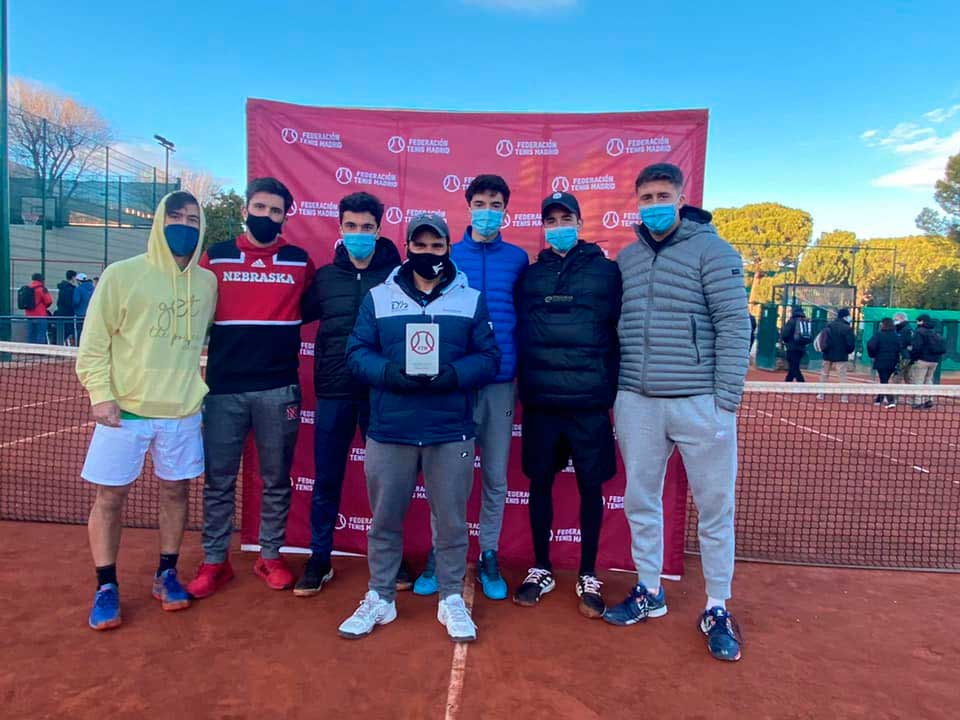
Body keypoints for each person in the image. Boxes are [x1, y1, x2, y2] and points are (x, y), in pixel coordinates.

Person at [603, 163, 750, 663]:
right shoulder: (626, 257)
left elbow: (734, 325)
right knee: (640, 501)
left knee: (715, 508)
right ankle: (649, 590)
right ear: (637, 201)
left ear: (682, 197)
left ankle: (717, 606)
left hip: (699, 402)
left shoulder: (713, 249)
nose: (654, 203)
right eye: (646, 196)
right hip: (637, 401)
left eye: (663, 194)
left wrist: (725, 399)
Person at [338, 213, 500, 642]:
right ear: (407, 247)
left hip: (450, 430)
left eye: (437, 246)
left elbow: (488, 358)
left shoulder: (471, 299)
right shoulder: (378, 297)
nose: (428, 253)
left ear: (448, 248)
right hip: (391, 428)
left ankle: (451, 599)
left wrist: (453, 375)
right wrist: (390, 373)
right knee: (385, 520)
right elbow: (356, 353)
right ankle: (380, 597)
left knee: (450, 522)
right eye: (420, 246)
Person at [75, 191, 217, 630]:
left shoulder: (207, 283)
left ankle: (166, 573)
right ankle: (105, 585)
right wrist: (101, 393)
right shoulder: (121, 275)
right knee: (110, 498)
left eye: (193, 218)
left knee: (177, 493)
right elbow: (94, 344)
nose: (184, 225)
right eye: (175, 216)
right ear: (158, 221)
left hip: (181, 413)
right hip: (125, 413)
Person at [187, 177, 316, 598]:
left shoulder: (300, 261)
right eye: (259, 208)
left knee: (277, 479)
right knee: (219, 480)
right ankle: (214, 561)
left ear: (285, 217)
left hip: (279, 389)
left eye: (275, 211)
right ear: (245, 210)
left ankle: (270, 555)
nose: (266, 217)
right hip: (223, 390)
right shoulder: (216, 257)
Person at [414, 174, 528, 600]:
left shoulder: (517, 259)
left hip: (500, 386)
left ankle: (489, 554)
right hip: (454, 385)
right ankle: (440, 554)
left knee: (496, 478)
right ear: (467, 206)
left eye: (495, 202)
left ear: (504, 209)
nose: (487, 209)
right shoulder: (448, 255)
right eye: (479, 201)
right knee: (446, 480)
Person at [512, 192, 621, 618]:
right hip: (541, 401)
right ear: (544, 224)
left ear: (579, 220)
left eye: (566, 217)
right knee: (539, 484)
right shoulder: (530, 276)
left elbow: (619, 329)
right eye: (551, 218)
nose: (559, 224)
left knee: (590, 487)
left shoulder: (607, 273)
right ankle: (541, 567)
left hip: (589, 403)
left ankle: (588, 571)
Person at [295, 192, 401, 596]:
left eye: (367, 227)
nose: (359, 234)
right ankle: (320, 558)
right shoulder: (324, 278)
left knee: (388, 482)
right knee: (327, 479)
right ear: (340, 229)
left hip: (381, 394)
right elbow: (286, 315)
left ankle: (391, 558)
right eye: (352, 227)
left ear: (378, 230)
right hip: (334, 393)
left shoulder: (396, 276)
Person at [817, 308, 856, 401]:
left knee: (824, 374)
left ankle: (821, 394)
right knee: (842, 375)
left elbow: (823, 339)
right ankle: (844, 397)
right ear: (845, 317)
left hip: (827, 353)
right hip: (841, 355)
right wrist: (848, 351)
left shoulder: (829, 325)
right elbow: (850, 343)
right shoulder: (847, 328)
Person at [908, 314, 946, 409]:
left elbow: (916, 347)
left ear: (922, 321)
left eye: (918, 321)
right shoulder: (934, 332)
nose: (917, 322)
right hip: (934, 361)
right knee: (929, 380)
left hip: (922, 360)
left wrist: (913, 358)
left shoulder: (919, 332)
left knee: (919, 381)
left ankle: (918, 402)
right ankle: (929, 399)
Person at [867, 318, 901, 408]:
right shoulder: (896, 336)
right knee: (884, 379)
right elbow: (899, 347)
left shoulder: (878, 335)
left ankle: (891, 400)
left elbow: (870, 345)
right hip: (893, 361)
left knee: (884, 380)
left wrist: (873, 355)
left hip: (881, 360)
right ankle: (879, 399)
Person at [780, 306, 812, 382]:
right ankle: (788, 382)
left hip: (792, 348)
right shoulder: (804, 321)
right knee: (794, 367)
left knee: (794, 367)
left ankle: (800, 382)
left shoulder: (791, 321)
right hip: (802, 348)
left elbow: (785, 334)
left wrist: (785, 341)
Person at [24, 273, 53, 344]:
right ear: (41, 280)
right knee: (41, 334)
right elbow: (49, 301)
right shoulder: (42, 289)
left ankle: (30, 351)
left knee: (31, 334)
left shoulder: (27, 289)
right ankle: (39, 352)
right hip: (40, 315)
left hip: (29, 315)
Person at [55, 270, 78, 344]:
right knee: (68, 331)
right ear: (73, 277)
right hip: (68, 314)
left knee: (62, 331)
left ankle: (58, 344)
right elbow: (71, 303)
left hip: (61, 312)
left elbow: (59, 301)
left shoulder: (62, 288)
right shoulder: (71, 289)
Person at [893, 312, 913, 385]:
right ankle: (915, 395)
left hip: (904, 356)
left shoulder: (904, 330)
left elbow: (902, 343)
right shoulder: (908, 328)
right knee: (908, 376)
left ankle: (894, 395)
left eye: (896, 319)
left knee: (897, 376)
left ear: (902, 319)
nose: (895, 321)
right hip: (908, 356)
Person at [73, 273, 95, 340]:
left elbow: (76, 301)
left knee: (80, 332)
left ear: (79, 281)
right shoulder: (93, 288)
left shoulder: (79, 289)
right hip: (91, 314)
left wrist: (75, 308)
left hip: (80, 314)